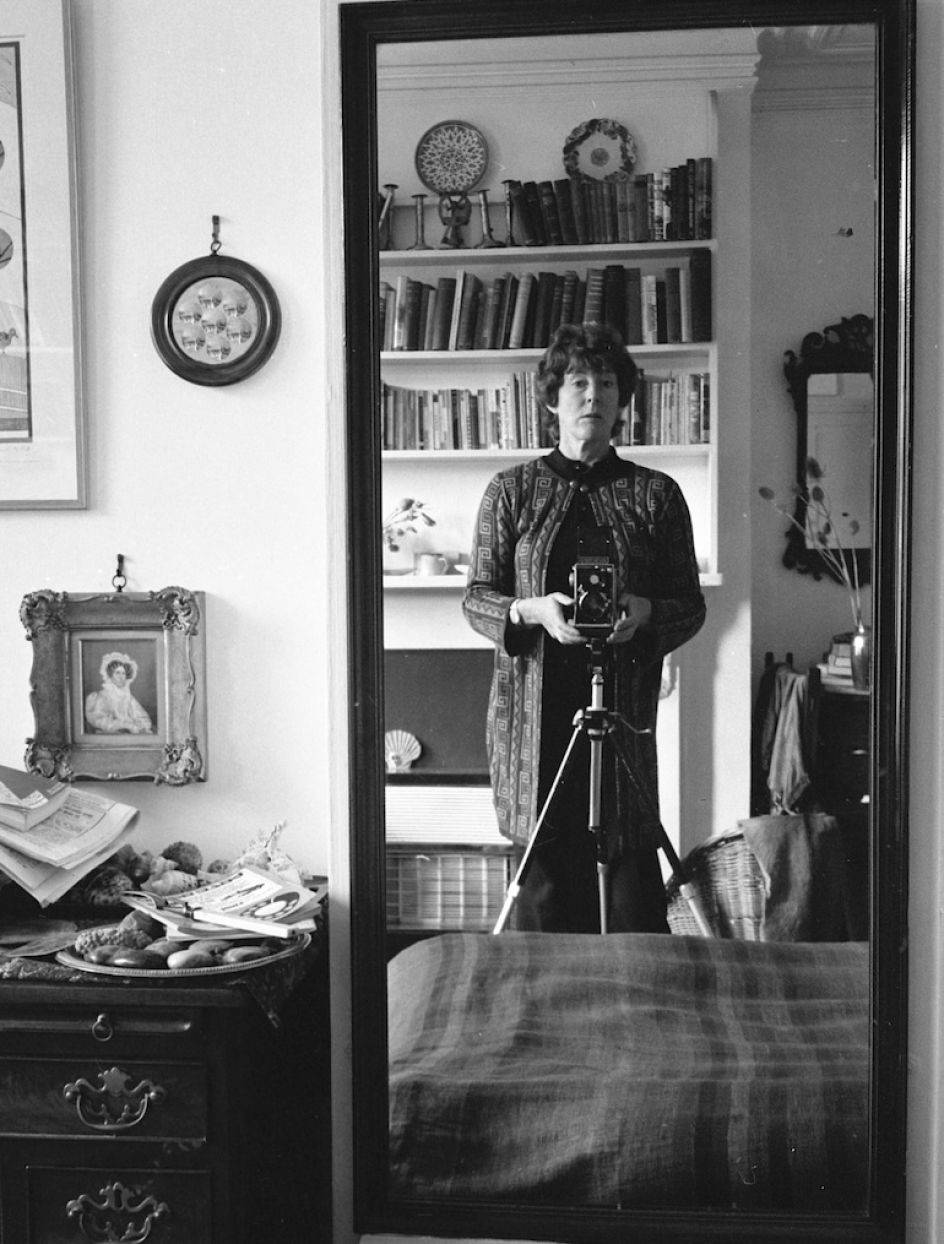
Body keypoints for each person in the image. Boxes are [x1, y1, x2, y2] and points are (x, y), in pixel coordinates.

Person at [462, 322, 706, 933]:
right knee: (543, 894)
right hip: (532, 720)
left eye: (605, 383)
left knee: (632, 898)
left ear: (623, 400)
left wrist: (645, 612)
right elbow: (476, 598)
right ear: (551, 399)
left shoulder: (657, 494)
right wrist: (532, 610)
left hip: (619, 708)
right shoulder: (510, 491)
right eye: (578, 383)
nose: (592, 396)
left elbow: (690, 604)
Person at [85, 651, 154, 734]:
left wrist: (140, 725)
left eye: (123, 673)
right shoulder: (103, 696)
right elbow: (99, 719)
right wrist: (124, 725)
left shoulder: (128, 697)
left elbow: (142, 716)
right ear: (110, 675)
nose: (121, 677)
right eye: (117, 673)